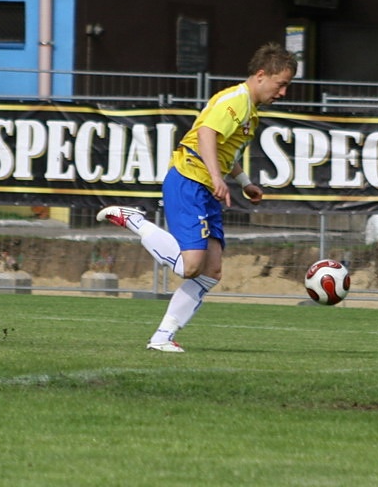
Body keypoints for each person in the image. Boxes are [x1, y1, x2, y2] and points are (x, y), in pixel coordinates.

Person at [97, 42, 297, 352]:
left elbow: (224, 151)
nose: (283, 92)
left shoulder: (250, 111)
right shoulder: (236, 100)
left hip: (204, 187)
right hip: (189, 179)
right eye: (281, 84)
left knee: (211, 272)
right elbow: (206, 135)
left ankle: (162, 337)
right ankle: (135, 221)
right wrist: (217, 178)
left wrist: (243, 181)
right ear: (261, 75)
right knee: (191, 267)